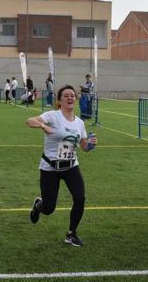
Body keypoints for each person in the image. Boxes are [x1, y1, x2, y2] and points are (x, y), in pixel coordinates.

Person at [26, 85, 98, 247]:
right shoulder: (52, 115)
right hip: (50, 167)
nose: (70, 98)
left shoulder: (79, 123)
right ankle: (38, 206)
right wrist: (42, 125)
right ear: (59, 101)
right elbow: (29, 121)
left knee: (80, 198)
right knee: (49, 208)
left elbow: (84, 147)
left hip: (71, 166)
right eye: (66, 96)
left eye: (72, 95)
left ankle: (71, 233)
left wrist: (91, 145)